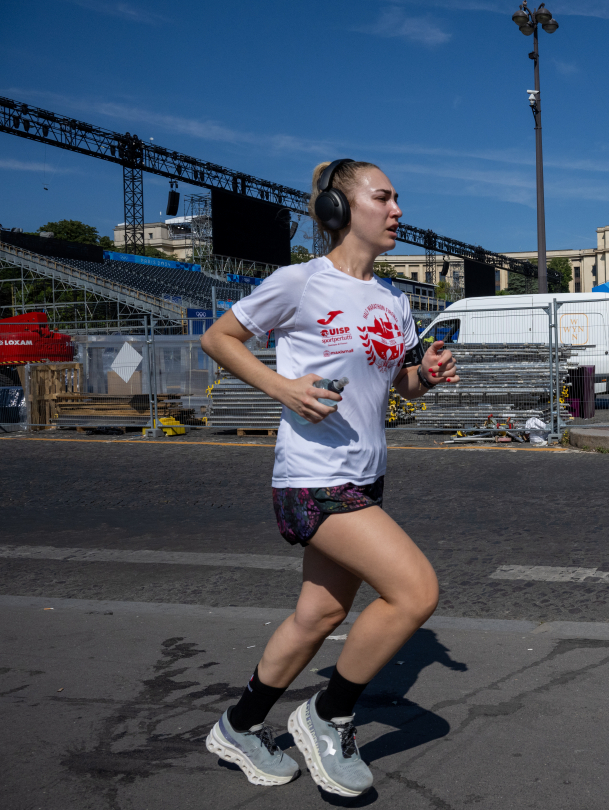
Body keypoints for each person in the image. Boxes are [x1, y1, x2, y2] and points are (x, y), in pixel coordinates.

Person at [199, 159, 458, 798]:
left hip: (364, 475)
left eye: (399, 198)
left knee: (319, 613)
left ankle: (239, 725)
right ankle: (328, 714)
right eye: (384, 198)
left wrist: (426, 374)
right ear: (340, 211)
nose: (398, 210)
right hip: (314, 476)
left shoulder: (394, 299)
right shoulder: (299, 282)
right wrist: (283, 388)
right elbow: (220, 337)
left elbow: (397, 384)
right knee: (415, 591)